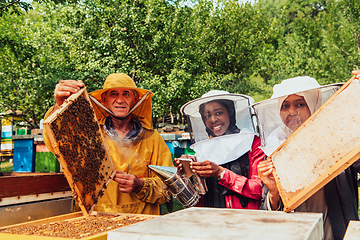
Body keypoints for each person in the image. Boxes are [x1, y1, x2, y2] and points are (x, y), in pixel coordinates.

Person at [43, 73, 173, 215]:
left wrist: (141, 185)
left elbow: (168, 189)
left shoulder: (153, 139)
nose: (120, 100)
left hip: (139, 225)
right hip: (95, 219)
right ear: (104, 99)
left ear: (135, 99)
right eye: (113, 94)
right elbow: (56, 144)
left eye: (126, 94)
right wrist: (59, 106)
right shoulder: (88, 133)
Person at [255, 76, 360, 240]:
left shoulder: (339, 139)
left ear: (314, 104)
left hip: (334, 232)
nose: (291, 111)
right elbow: (268, 210)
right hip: (294, 234)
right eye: (285, 105)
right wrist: (274, 192)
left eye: (300, 104)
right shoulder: (275, 150)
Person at [175, 90, 265, 209]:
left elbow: (260, 190)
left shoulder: (252, 143)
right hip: (210, 220)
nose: (213, 120)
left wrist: (221, 173)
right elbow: (196, 199)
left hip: (245, 220)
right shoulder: (203, 149)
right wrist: (188, 175)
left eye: (218, 113)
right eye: (207, 116)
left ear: (230, 113)